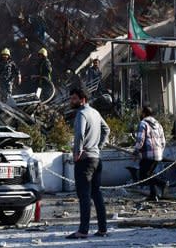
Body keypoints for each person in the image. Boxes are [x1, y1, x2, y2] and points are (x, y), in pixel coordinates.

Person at [66, 87, 110, 239]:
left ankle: (83, 231)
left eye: (74, 99)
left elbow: (79, 134)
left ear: (82, 99)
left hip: (85, 160)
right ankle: (103, 229)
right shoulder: (95, 113)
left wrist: (77, 153)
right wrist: (99, 147)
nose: (71, 101)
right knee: (96, 194)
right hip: (96, 159)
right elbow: (107, 129)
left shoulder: (81, 114)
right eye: (71, 98)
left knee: (84, 195)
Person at [133, 105, 167, 202]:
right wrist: (160, 152)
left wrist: (136, 151)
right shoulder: (158, 124)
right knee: (150, 174)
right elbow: (163, 141)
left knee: (143, 175)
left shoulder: (143, 123)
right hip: (158, 154)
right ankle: (153, 195)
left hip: (148, 155)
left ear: (144, 113)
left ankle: (162, 183)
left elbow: (140, 140)